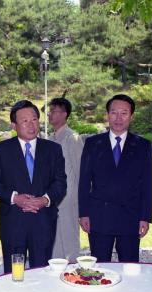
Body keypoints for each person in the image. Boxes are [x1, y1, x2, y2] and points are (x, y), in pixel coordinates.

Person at [0, 100, 67, 273]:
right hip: (13, 221)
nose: (31, 125)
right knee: (14, 273)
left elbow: (60, 182)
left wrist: (44, 200)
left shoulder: (53, 149)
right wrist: (15, 198)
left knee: (42, 272)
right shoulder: (1, 150)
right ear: (14, 125)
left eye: (34, 120)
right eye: (25, 121)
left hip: (43, 220)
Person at [78, 94, 152, 262]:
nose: (118, 118)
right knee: (99, 266)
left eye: (124, 113)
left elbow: (147, 184)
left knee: (130, 265)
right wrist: (84, 213)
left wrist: (145, 217)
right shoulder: (93, 143)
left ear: (131, 116)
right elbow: (84, 181)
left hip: (130, 216)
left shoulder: (142, 146)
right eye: (114, 112)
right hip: (99, 216)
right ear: (107, 115)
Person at [48, 97, 84, 263]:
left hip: (69, 199)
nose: (50, 114)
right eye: (50, 111)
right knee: (54, 239)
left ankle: (72, 274)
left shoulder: (72, 138)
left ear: (64, 114)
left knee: (69, 240)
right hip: (52, 198)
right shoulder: (50, 139)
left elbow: (80, 171)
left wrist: (81, 203)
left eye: (54, 111)